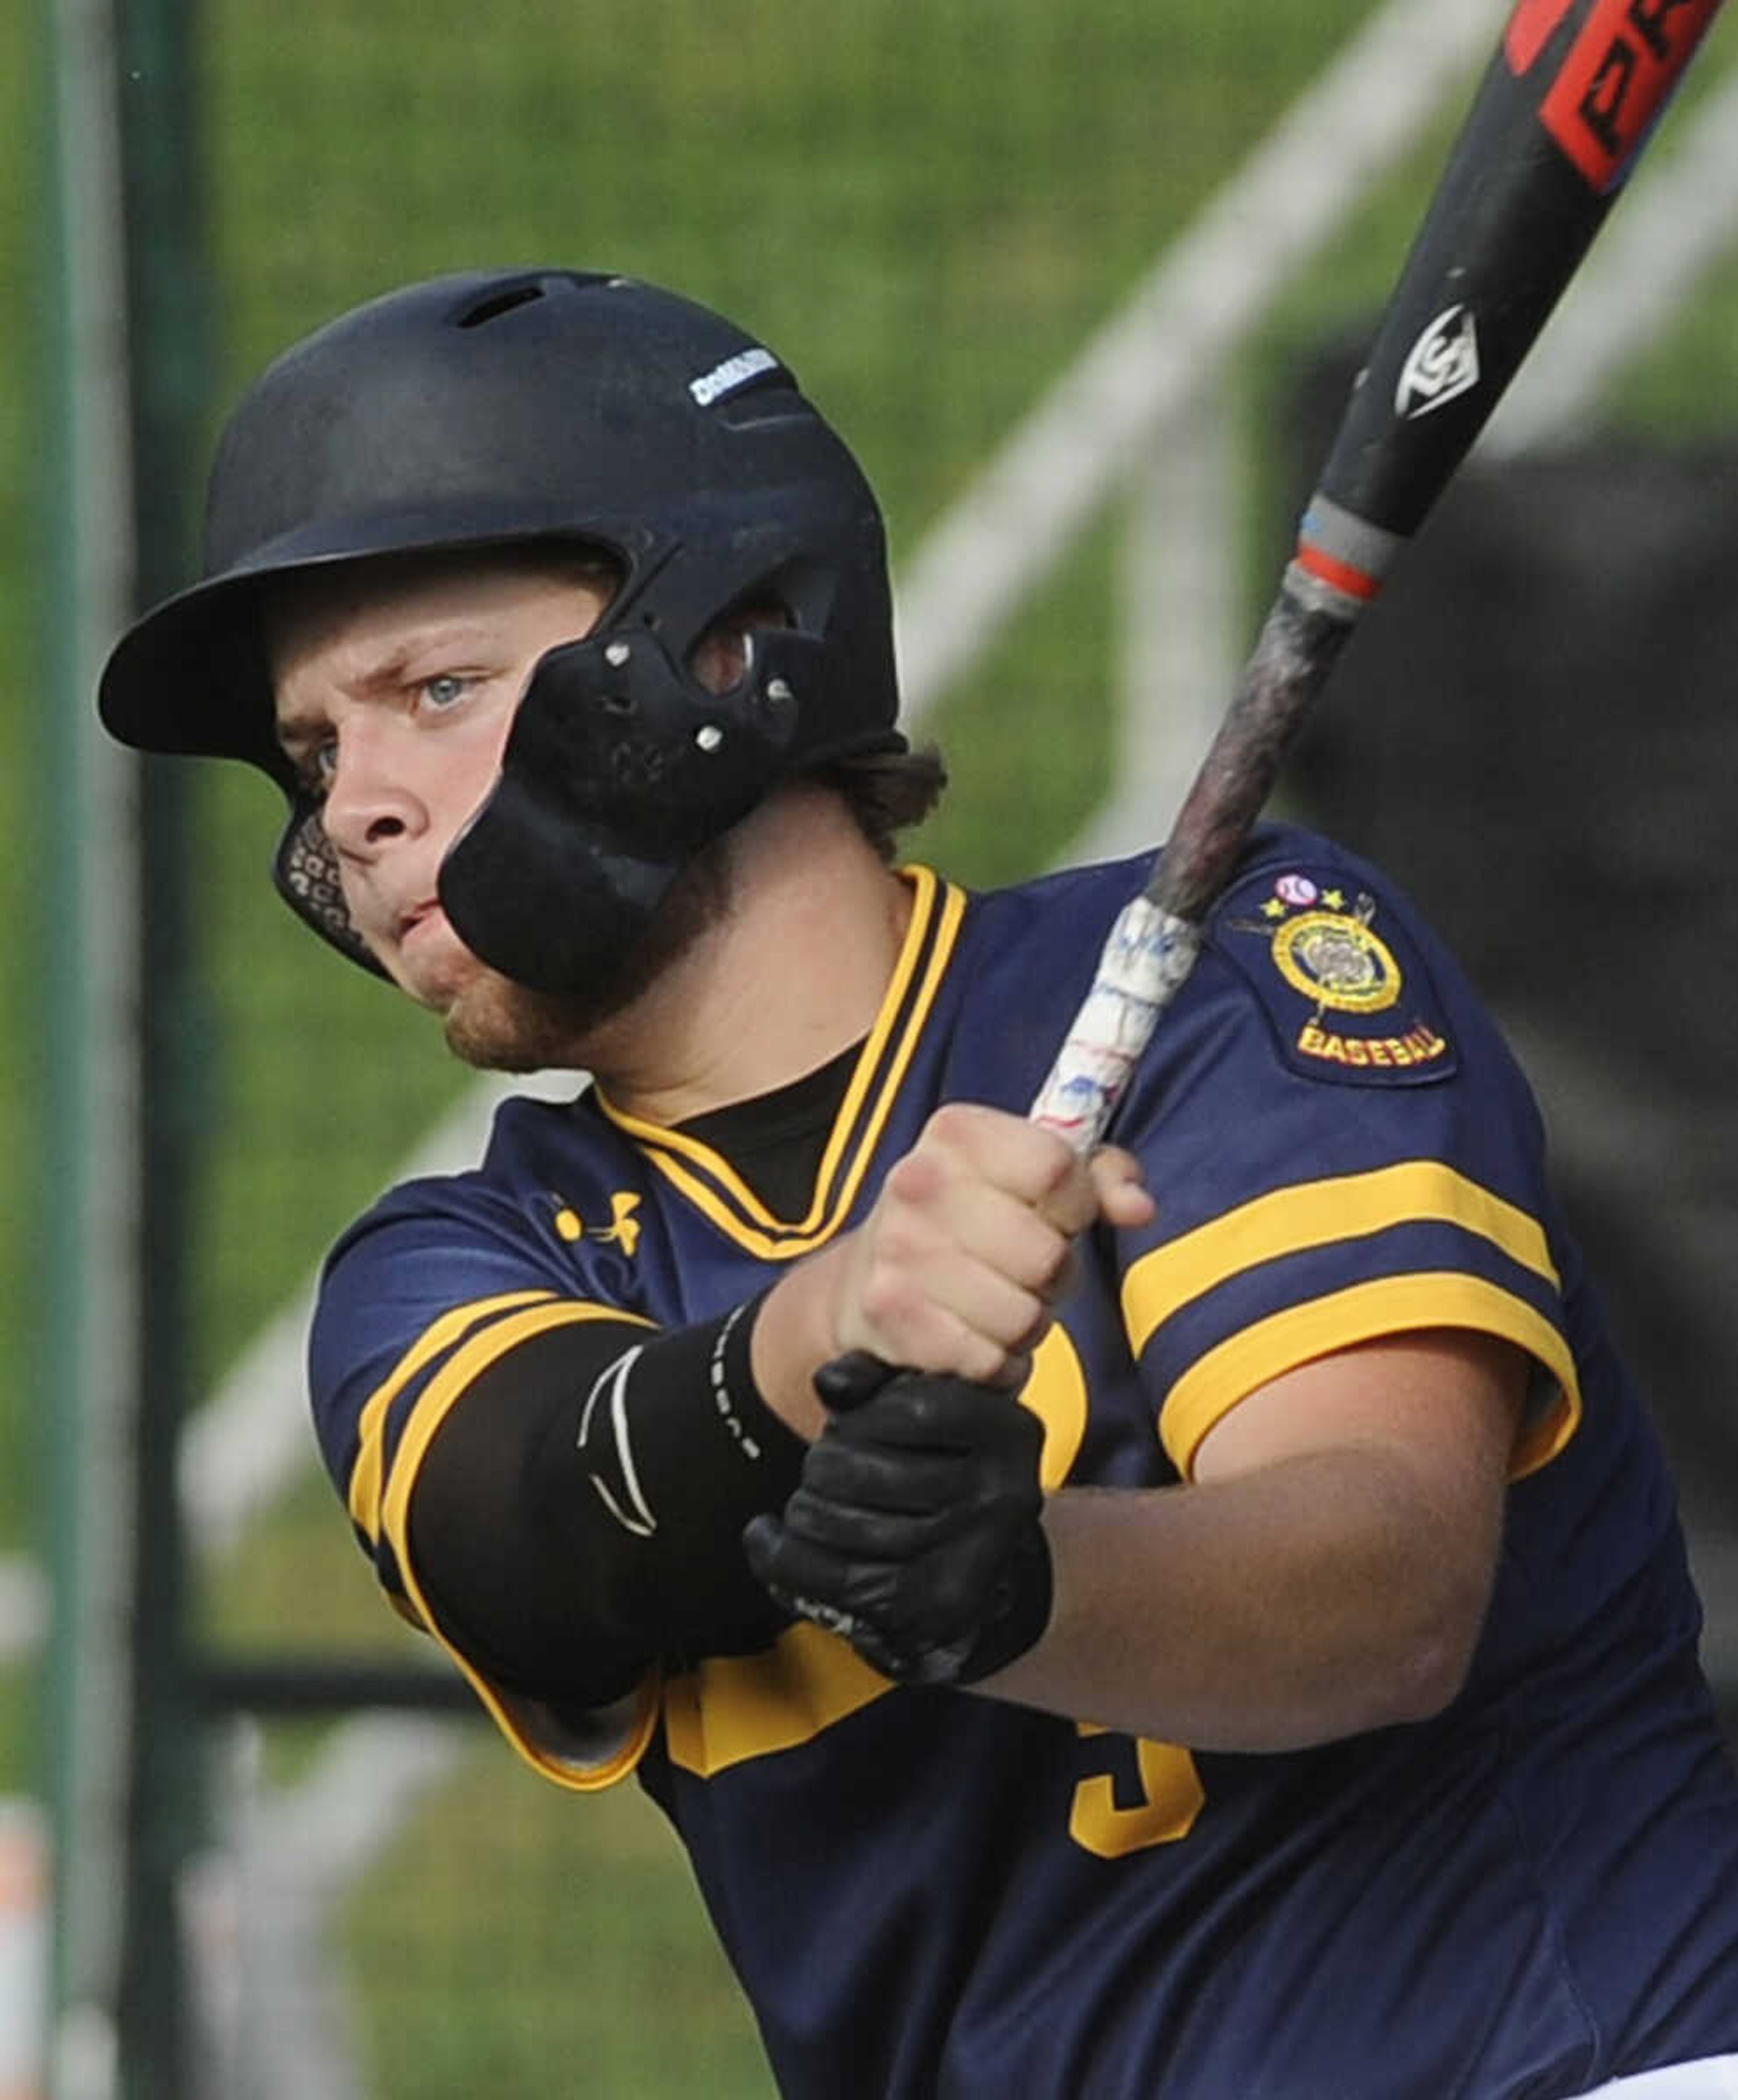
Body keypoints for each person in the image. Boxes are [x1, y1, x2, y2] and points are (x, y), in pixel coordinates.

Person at [99, 266, 1738, 2099]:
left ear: (730, 638)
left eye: (437, 688)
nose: (353, 806)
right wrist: (801, 1349)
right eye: (317, 749)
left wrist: (1011, 1580)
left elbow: (1386, 1585)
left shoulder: (1243, 969)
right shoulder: (468, 1254)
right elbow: (535, 1530)